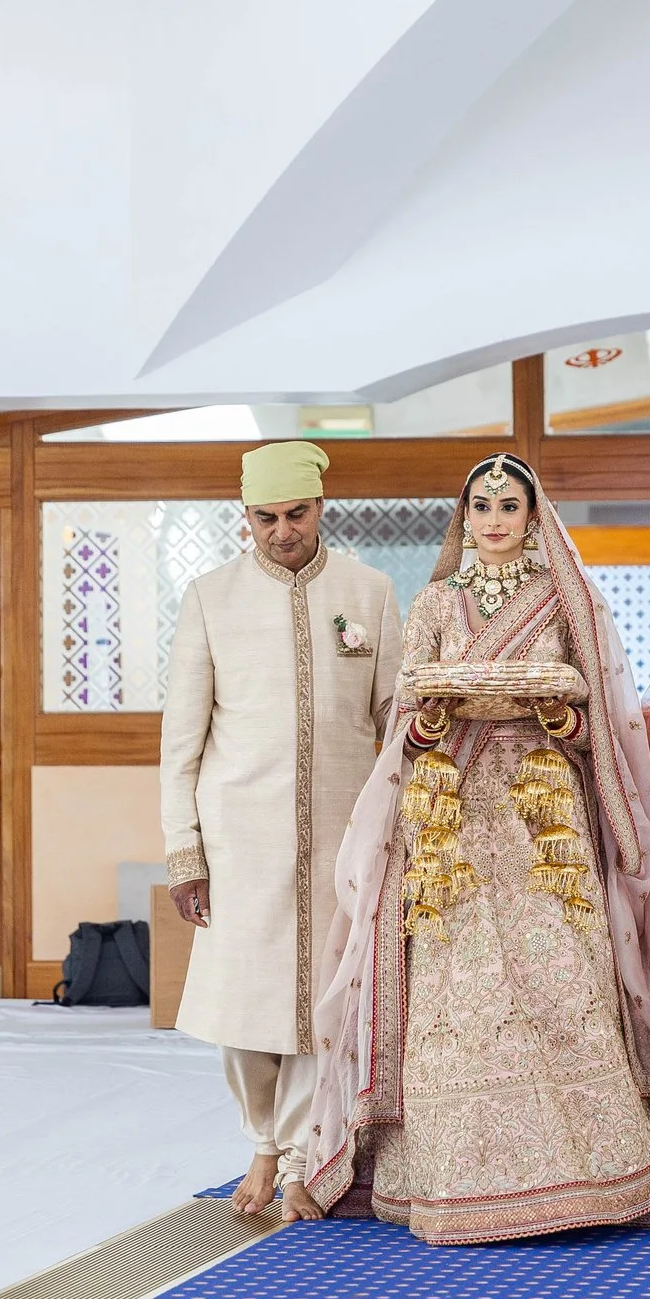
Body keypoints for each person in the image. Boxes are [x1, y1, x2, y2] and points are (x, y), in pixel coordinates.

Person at [304, 454, 650, 1244]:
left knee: (563, 970)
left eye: (510, 504)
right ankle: (457, 1178)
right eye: (482, 504)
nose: (494, 517)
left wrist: (556, 716)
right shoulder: (432, 603)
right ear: (466, 514)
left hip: (541, 817)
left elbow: (600, 723)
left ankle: (594, 1174)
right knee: (462, 985)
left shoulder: (566, 604)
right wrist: (431, 720)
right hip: (451, 818)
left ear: (534, 515)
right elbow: (410, 720)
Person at [160, 441, 403, 1221]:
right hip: (242, 840)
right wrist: (185, 850)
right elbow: (181, 740)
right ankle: (262, 1140)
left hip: (340, 833)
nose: (281, 531)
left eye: (295, 514)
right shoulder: (211, 597)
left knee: (320, 1001)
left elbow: (396, 721)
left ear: (321, 507)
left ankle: (301, 1157)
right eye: (264, 518)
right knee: (247, 1003)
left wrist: (402, 828)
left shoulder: (366, 591)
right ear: (247, 518)